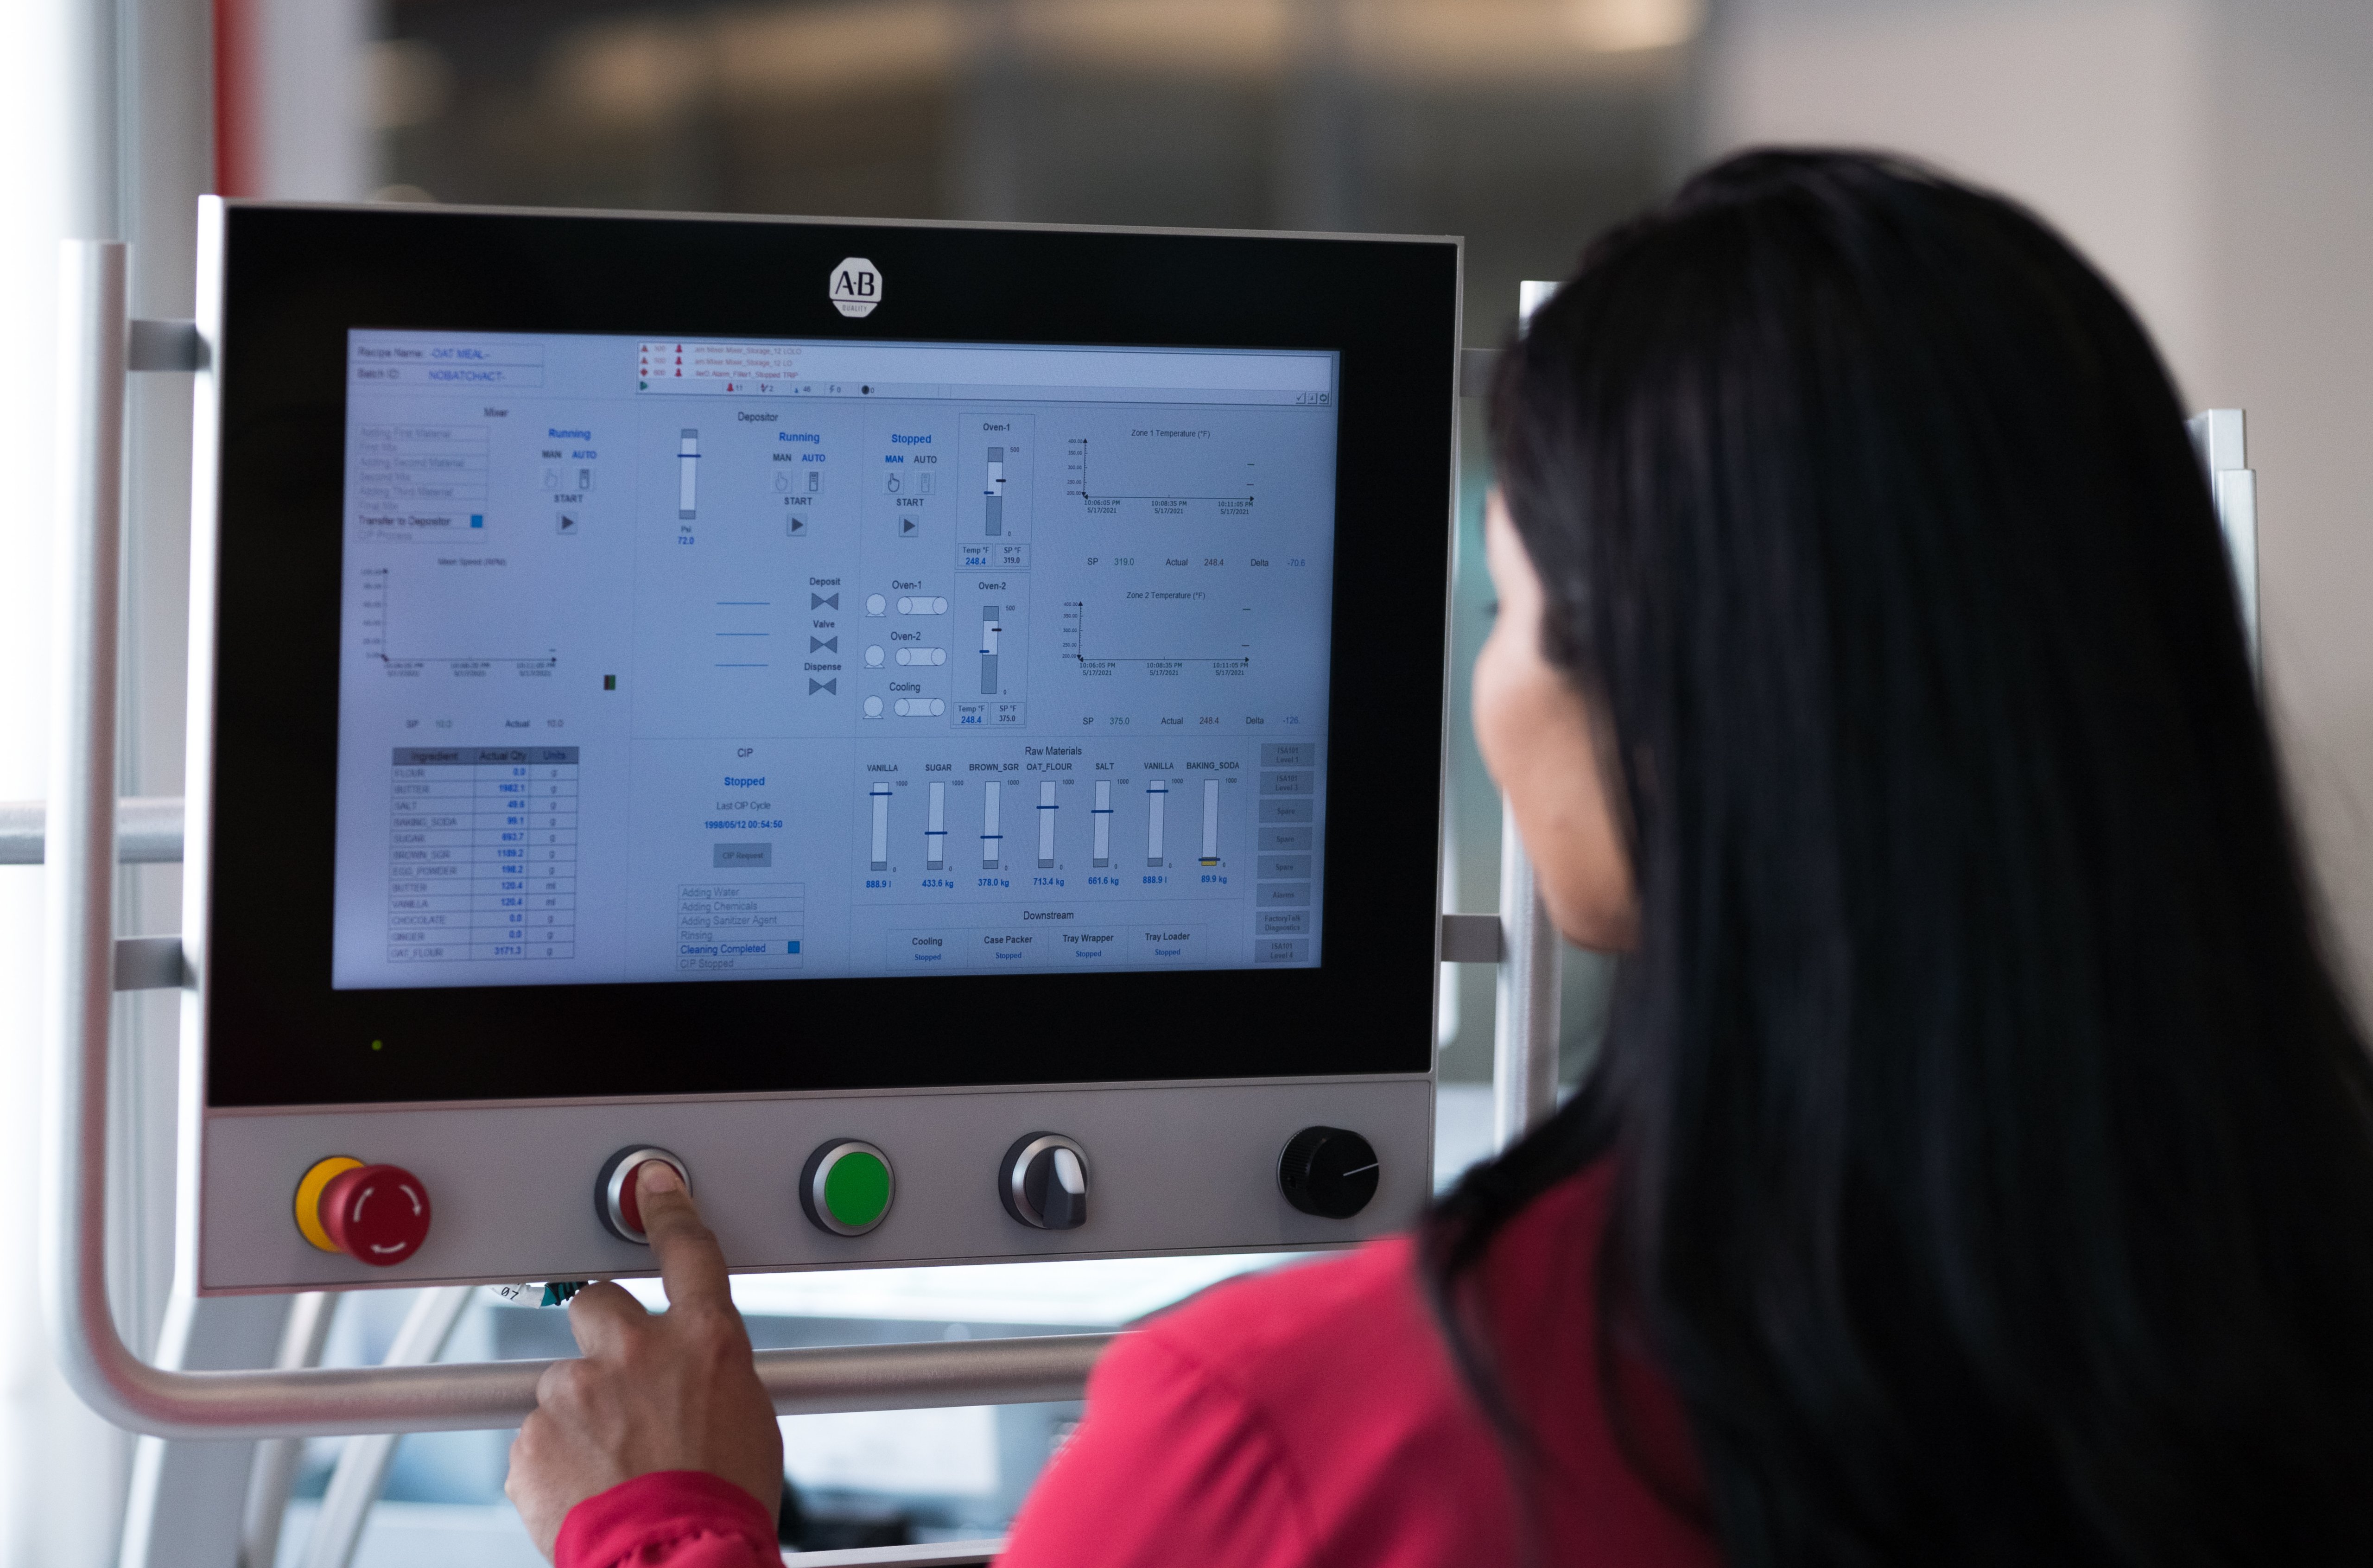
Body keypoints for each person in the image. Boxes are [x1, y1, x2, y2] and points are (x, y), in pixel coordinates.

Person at [505, 150, 2373, 1568]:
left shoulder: (1312, 1442)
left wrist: (658, 1524)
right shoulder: (2277, 1325)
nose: (1486, 681)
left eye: (1514, 599)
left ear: (1658, 704)